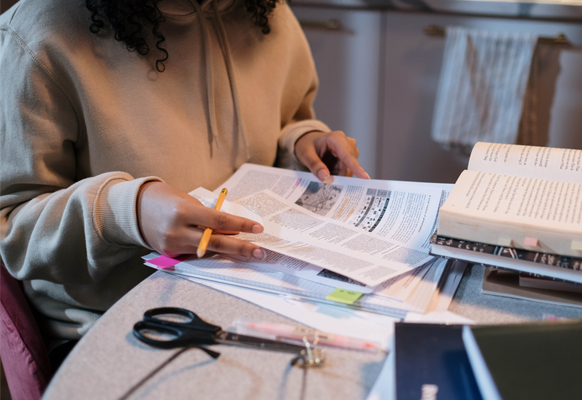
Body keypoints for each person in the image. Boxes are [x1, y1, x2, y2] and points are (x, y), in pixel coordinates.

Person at [0, 0, 368, 347]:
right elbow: (12, 229)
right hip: (121, 324)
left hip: (256, 289)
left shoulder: (267, 12)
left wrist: (302, 142)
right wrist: (126, 214)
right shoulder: (38, 36)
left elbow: (287, 119)